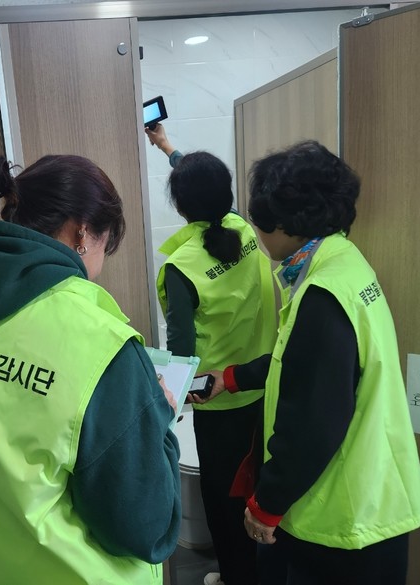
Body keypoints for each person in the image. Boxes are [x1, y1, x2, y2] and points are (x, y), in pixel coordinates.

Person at [0, 154, 182, 585]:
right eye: (106, 243)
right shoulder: (98, 340)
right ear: (83, 232)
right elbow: (146, 529)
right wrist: (158, 420)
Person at [201, 140, 420, 585]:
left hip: (342, 516)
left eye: (259, 223)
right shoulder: (346, 264)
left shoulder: (322, 295)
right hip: (374, 491)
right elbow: (302, 363)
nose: (257, 235)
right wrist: (232, 377)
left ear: (284, 224)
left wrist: (266, 504)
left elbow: (313, 421)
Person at [146, 123, 277, 585]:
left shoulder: (182, 267)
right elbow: (208, 190)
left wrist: (164, 406)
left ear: (181, 208)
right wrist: (167, 146)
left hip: (219, 401)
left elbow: (181, 353)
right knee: (262, 488)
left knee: (224, 500)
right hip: (264, 384)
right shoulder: (243, 227)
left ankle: (234, 577)